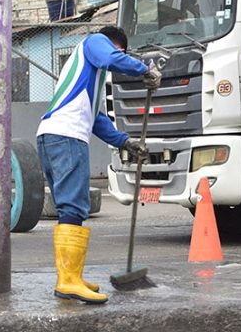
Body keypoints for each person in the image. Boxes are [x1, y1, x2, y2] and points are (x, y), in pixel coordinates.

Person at [36, 26, 161, 305]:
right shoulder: (95, 42)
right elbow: (112, 59)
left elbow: (97, 119)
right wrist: (144, 70)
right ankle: (68, 281)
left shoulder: (87, 74)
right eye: (122, 54)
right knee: (74, 206)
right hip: (66, 137)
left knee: (68, 208)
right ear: (118, 47)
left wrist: (125, 142)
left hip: (53, 136)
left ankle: (71, 276)